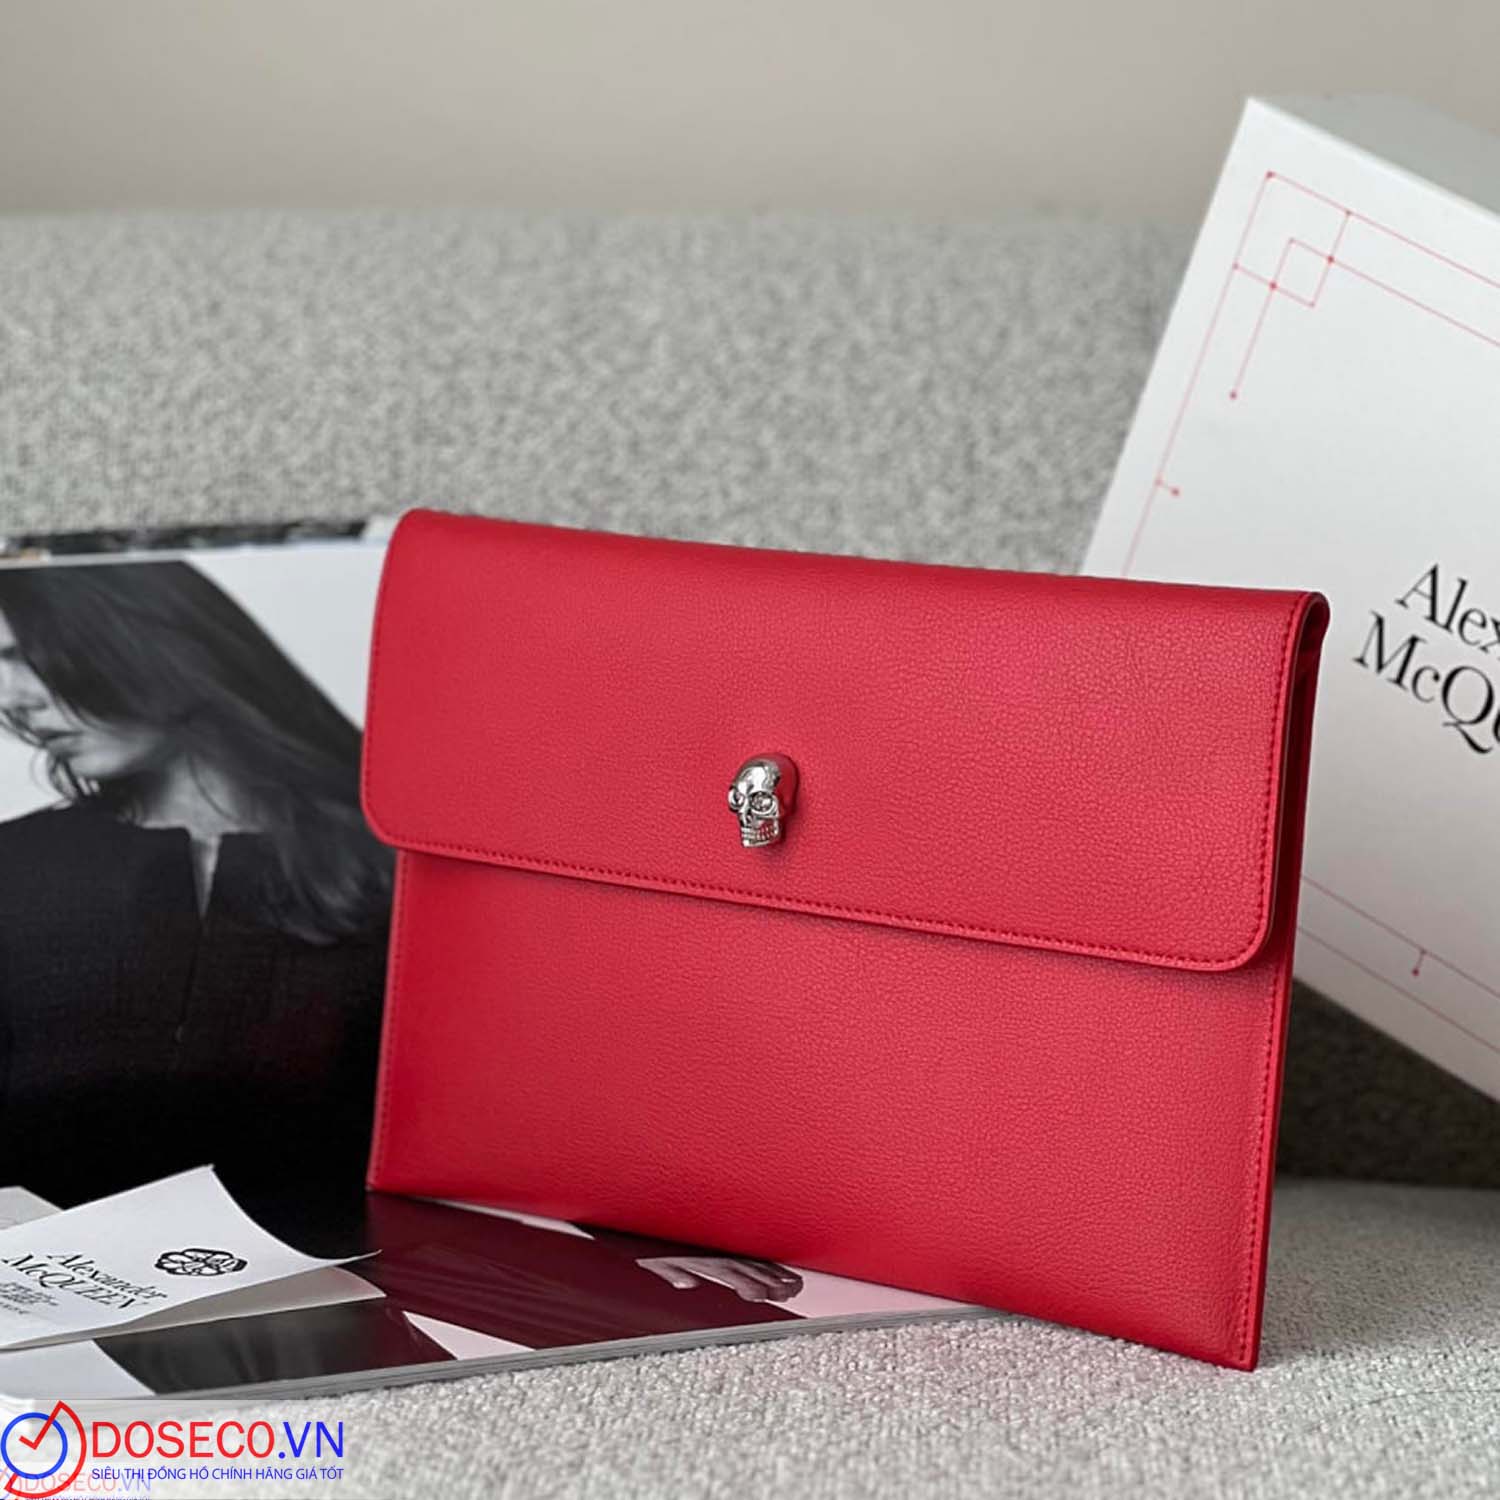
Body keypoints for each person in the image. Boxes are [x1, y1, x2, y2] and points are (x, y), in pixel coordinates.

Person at [0, 561, 394, 1206]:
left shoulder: (399, 865)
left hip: (348, 1263)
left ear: (149, 634)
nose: (13, 698)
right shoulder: (16, 866)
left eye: (26, 654)